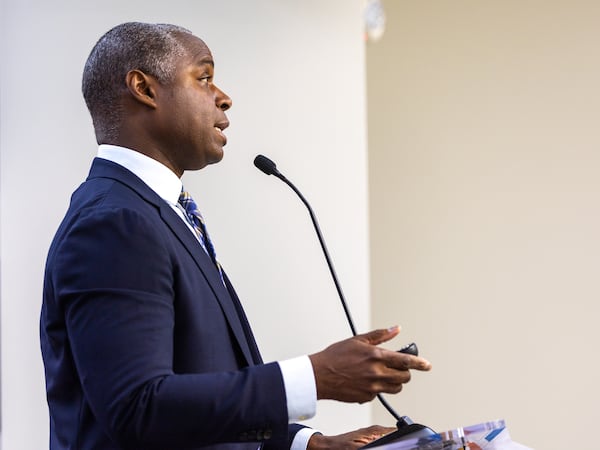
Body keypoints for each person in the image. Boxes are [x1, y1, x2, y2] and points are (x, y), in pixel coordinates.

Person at [40, 22, 432, 450]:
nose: (224, 97)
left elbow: (198, 388)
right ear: (144, 89)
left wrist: (307, 444)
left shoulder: (156, 213)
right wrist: (314, 377)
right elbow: (139, 408)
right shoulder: (114, 223)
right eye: (204, 77)